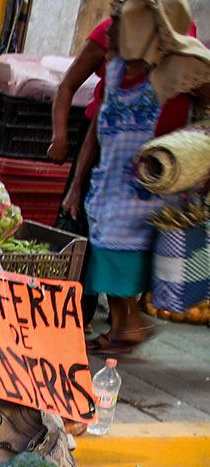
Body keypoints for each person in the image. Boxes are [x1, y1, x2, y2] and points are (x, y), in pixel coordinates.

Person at [85, 0, 210, 354]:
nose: (109, 31)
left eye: (117, 25)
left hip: (152, 186)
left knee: (121, 253)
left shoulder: (178, 71)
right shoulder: (115, 69)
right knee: (108, 251)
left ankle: (130, 324)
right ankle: (126, 324)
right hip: (112, 179)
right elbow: (99, 123)